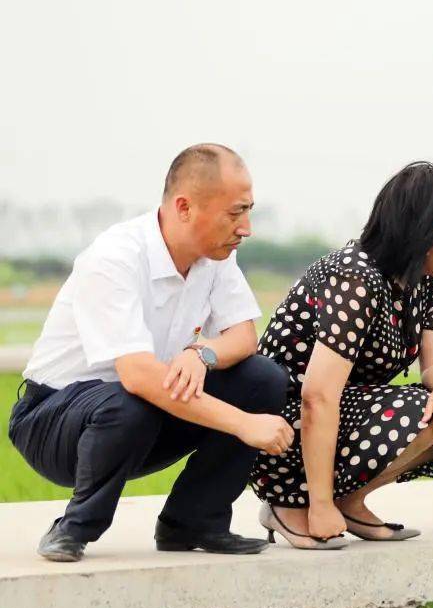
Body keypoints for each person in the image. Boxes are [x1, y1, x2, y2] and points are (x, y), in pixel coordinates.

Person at [10, 144, 293, 562]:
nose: (246, 227)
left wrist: (202, 354)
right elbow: (139, 375)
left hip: (142, 415)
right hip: (55, 421)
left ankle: (194, 521)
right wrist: (244, 424)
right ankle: (73, 528)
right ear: (184, 207)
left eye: (249, 211)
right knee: (131, 402)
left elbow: (244, 336)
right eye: (235, 213)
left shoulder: (214, 257)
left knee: (263, 378)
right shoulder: (115, 257)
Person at [249, 162, 433, 548]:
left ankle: (350, 501)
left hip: (340, 414)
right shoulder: (356, 278)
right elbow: (317, 396)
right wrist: (318, 505)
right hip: (283, 429)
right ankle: (287, 504)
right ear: (428, 234)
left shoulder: (423, 280)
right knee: (416, 410)